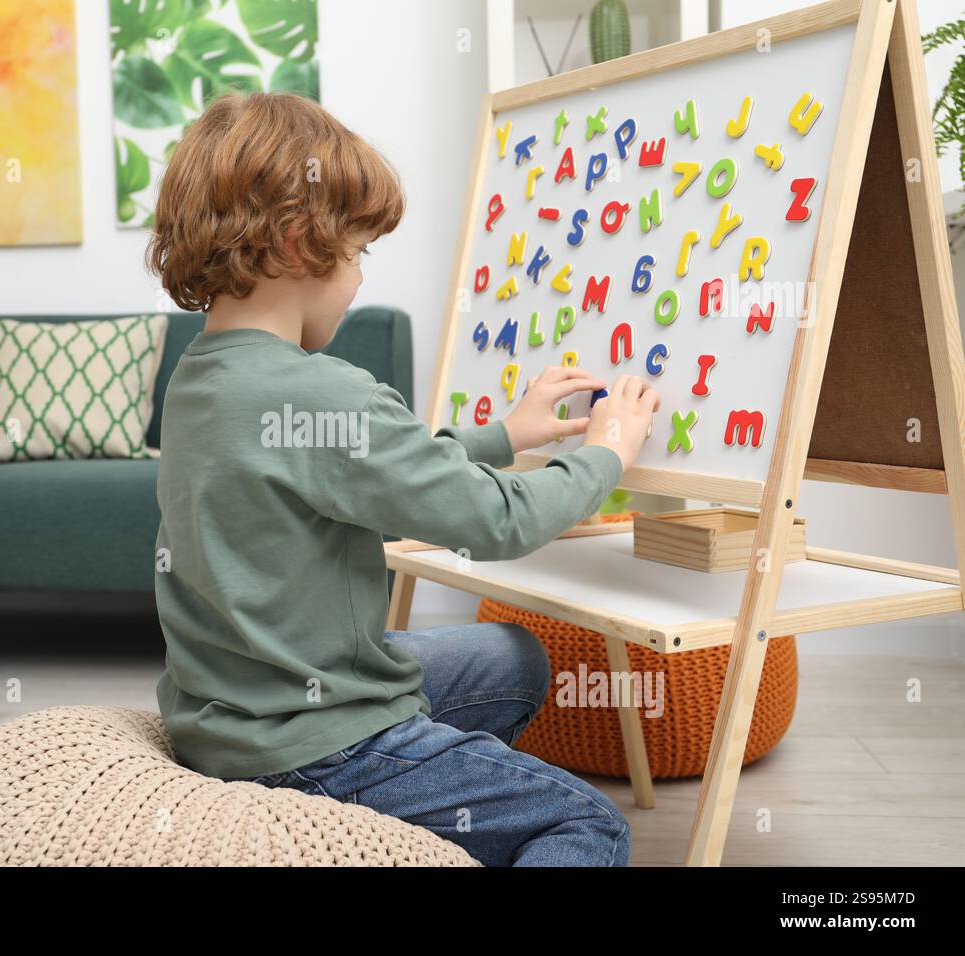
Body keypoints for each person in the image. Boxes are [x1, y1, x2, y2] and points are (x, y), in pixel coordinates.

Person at [144, 91, 659, 865]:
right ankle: (382, 809)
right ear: (295, 244)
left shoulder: (199, 377)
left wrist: (499, 435)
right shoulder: (325, 390)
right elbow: (501, 521)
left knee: (515, 659)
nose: (358, 279)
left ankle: (428, 825)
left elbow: (364, 468)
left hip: (230, 711)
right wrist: (607, 452)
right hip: (317, 746)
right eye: (358, 252)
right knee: (589, 825)